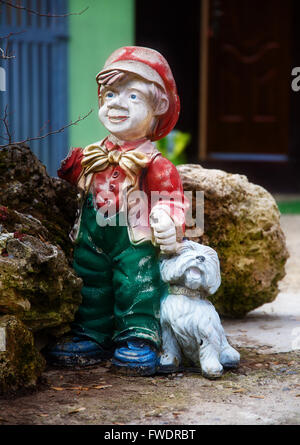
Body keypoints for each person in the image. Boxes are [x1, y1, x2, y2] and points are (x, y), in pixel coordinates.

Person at [46, 46, 186, 375]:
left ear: (159, 106)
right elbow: (73, 178)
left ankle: (138, 336)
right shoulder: (94, 154)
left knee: (136, 281)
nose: (117, 103)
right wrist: (70, 168)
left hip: (133, 237)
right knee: (90, 278)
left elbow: (173, 199)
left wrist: (168, 219)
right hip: (93, 232)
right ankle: (92, 333)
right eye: (110, 94)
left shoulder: (156, 164)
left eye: (133, 96)